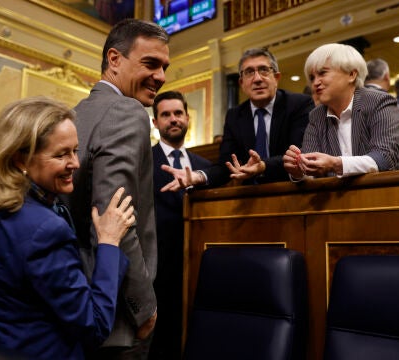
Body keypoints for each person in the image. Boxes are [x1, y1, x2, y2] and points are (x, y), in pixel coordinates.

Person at [0, 96, 136, 359]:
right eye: (62, 154)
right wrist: (108, 243)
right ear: (20, 160)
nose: (76, 163)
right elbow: (94, 325)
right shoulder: (46, 230)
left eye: (75, 150)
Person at [60, 18, 169, 359]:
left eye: (165, 67)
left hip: (77, 299)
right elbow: (115, 220)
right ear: (114, 59)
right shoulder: (127, 110)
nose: (161, 77)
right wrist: (144, 305)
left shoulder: (76, 113)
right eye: (150, 64)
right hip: (117, 315)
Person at [160, 48, 313, 191]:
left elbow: (299, 154)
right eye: (249, 72)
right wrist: (198, 176)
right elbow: (226, 166)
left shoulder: (299, 105)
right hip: (249, 199)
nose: (257, 78)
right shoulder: (234, 116)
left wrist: (263, 166)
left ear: (276, 77)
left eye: (264, 70)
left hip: (292, 192)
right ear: (241, 83)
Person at [283, 43, 399, 180]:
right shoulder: (316, 115)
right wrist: (299, 171)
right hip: (347, 197)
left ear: (351, 74)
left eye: (322, 73)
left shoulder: (379, 101)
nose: (315, 82)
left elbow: (385, 157)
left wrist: (336, 164)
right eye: (312, 77)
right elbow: (311, 169)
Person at [148, 91, 211, 360]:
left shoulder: (205, 167)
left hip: (200, 266)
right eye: (165, 114)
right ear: (155, 122)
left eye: (178, 113)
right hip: (158, 270)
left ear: (187, 118)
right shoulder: (143, 161)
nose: (173, 119)